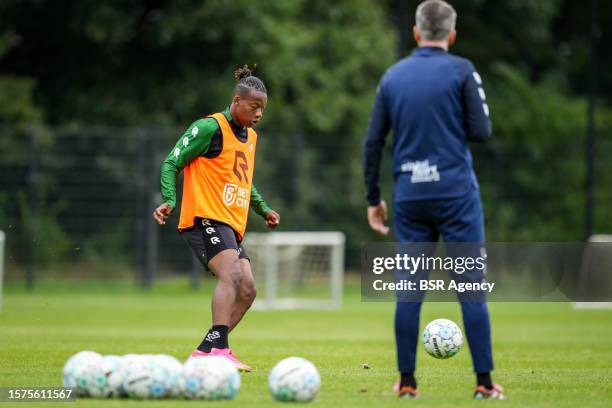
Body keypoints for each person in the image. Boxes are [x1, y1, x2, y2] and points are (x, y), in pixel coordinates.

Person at [363, 0, 505, 400]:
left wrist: (374, 197)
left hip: (410, 195)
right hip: (456, 195)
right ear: (452, 35)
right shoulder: (462, 70)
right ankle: (483, 382)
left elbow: (373, 142)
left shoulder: (392, 76)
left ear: (416, 32)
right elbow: (481, 131)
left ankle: (406, 382)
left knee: (408, 289)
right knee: (470, 289)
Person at [153, 65, 280, 372]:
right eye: (254, 106)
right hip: (204, 217)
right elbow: (172, 162)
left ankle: (206, 350)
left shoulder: (250, 137)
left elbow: (243, 181)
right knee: (232, 276)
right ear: (237, 101)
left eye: (262, 108)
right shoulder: (209, 127)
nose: (259, 113)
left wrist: (263, 208)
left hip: (230, 224)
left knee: (248, 289)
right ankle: (220, 349)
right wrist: (169, 198)